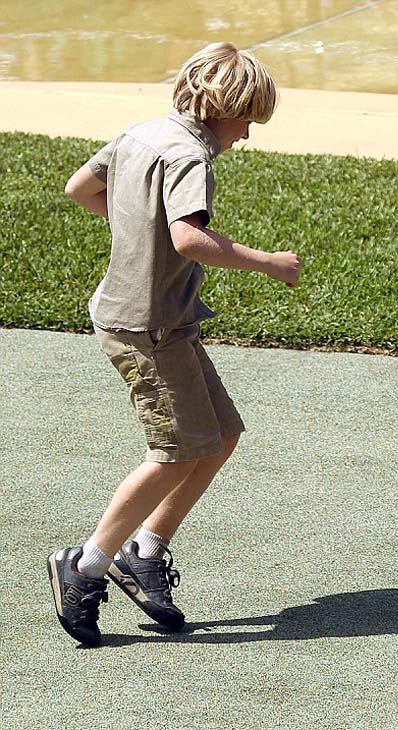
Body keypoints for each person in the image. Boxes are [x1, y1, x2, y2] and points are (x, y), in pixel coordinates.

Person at [48, 42, 302, 647]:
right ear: (226, 107)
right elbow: (189, 238)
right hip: (147, 326)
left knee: (221, 433)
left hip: (160, 319)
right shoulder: (192, 155)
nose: (246, 136)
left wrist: (133, 224)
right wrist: (268, 262)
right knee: (175, 452)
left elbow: (79, 186)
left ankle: (147, 548)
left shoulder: (142, 134)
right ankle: (83, 565)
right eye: (247, 121)